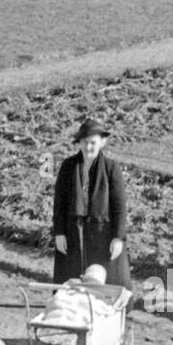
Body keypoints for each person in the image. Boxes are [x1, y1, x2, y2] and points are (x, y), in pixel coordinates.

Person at [52, 118, 130, 288]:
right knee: (72, 278)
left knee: (104, 279)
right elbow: (59, 203)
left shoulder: (111, 168)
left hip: (102, 233)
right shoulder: (68, 166)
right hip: (73, 233)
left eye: (93, 143)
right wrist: (59, 232)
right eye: (85, 142)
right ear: (79, 142)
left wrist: (118, 238)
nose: (88, 147)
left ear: (102, 142)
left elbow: (119, 206)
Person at [35, 263, 118, 345]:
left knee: (57, 308)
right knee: (82, 318)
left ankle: (52, 334)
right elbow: (107, 311)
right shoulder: (93, 298)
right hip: (72, 325)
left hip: (51, 323)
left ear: (84, 277)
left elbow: (53, 301)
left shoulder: (67, 289)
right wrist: (112, 309)